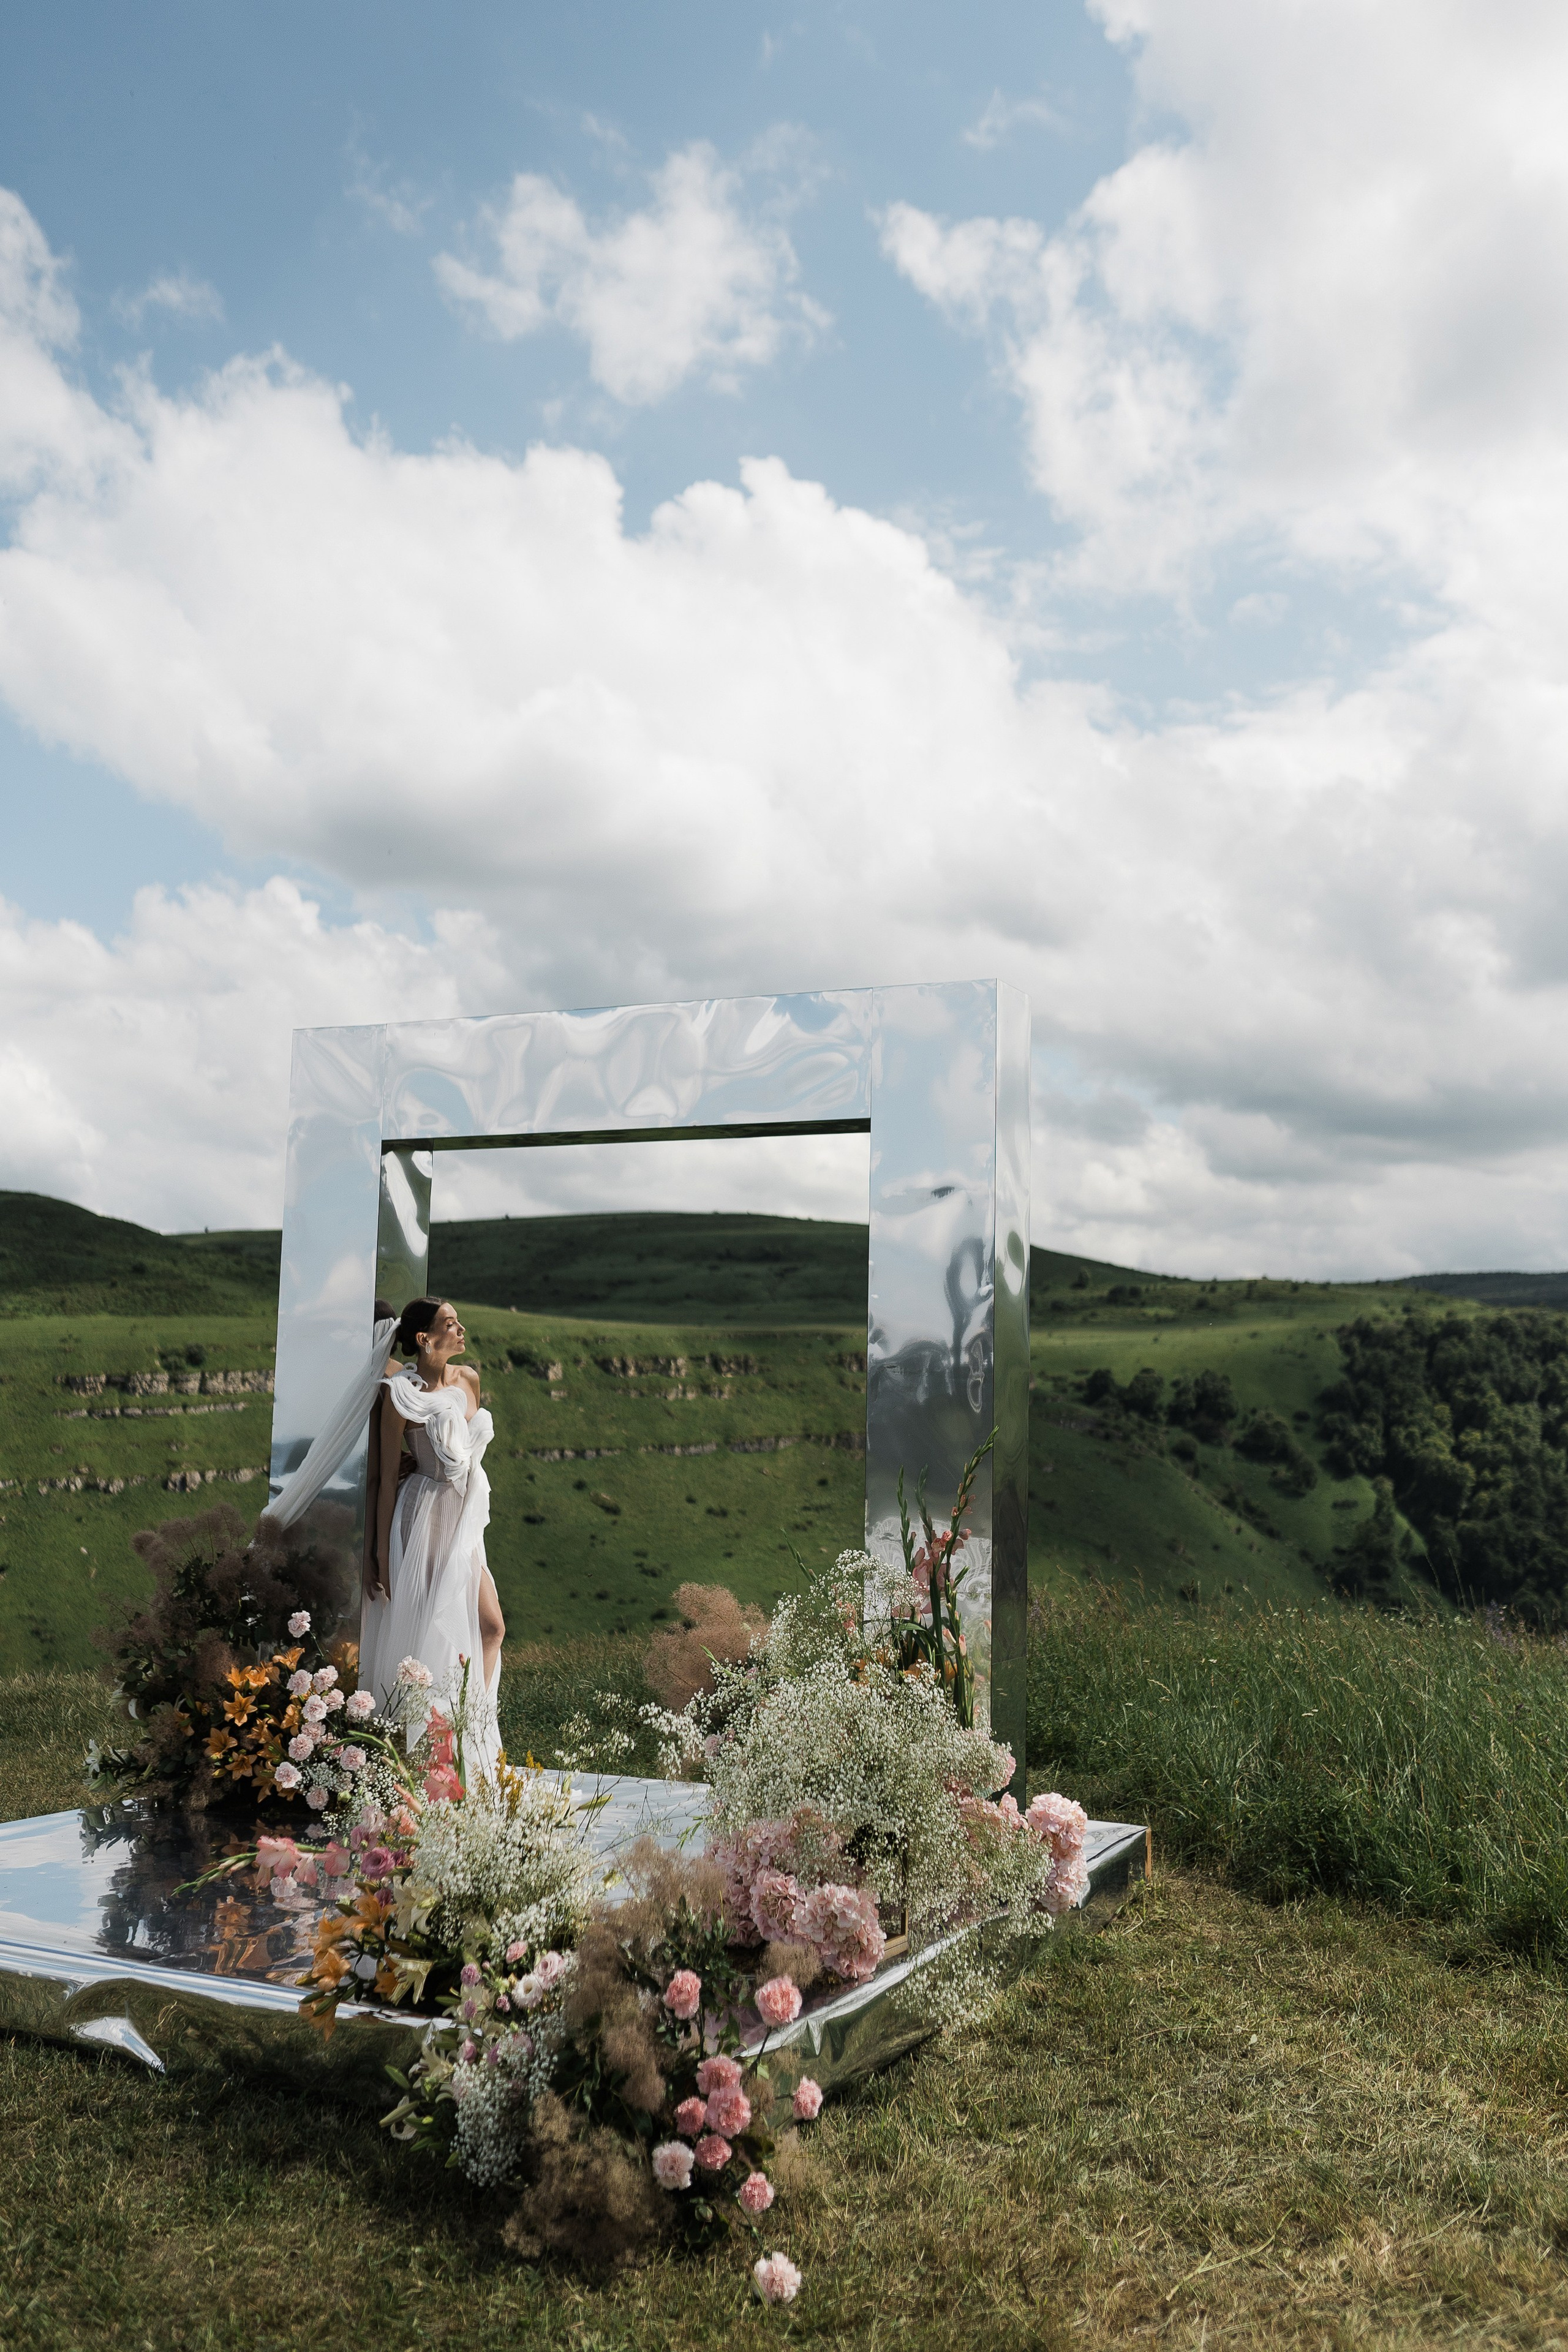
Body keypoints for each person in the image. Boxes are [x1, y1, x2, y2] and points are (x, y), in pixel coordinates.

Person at [358, 1297, 505, 1773]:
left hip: (464, 1523)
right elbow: (381, 1480)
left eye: (459, 1319)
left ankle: (467, 1740)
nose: (461, 1328)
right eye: (449, 1323)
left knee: (491, 1628)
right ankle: (424, 1760)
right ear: (424, 1338)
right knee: (428, 1641)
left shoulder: (469, 1380)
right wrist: (378, 1553)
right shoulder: (399, 1393)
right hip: (421, 1519)